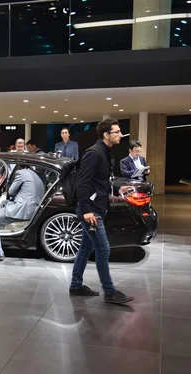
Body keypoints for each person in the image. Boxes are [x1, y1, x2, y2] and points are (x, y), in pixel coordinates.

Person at [68, 118, 134, 305]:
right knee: (103, 249)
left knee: (85, 248)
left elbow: (100, 180)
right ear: (106, 135)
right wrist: (87, 211)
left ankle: (75, 285)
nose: (121, 135)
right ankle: (110, 291)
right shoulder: (94, 153)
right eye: (117, 132)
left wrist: (115, 189)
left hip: (98, 207)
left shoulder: (105, 153)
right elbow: (83, 183)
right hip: (91, 211)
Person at [0, 165, 44, 261]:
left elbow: (11, 191)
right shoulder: (36, 176)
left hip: (21, 209)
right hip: (31, 210)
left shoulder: (21, 173)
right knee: (4, 205)